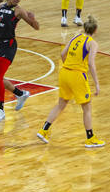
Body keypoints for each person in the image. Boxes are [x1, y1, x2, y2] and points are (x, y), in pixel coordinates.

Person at [38, 15, 103, 148]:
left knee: (61, 104)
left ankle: (44, 130)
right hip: (77, 76)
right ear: (95, 30)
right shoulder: (92, 43)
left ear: (85, 28)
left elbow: (62, 54)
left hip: (64, 72)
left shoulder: (75, 37)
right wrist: (96, 83)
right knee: (87, 108)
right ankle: (90, 138)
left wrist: (69, 66)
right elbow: (91, 63)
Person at [0, 0, 39, 123]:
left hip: (8, 45)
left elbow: (36, 27)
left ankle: (0, 110)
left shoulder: (19, 10)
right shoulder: (0, 6)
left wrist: (33, 19)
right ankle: (20, 94)